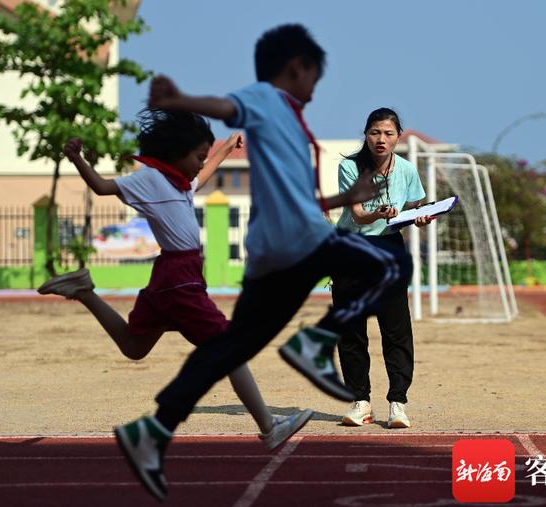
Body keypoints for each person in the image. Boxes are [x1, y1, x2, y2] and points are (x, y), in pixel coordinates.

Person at [113, 24, 413, 501]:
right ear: (293, 68)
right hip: (286, 245)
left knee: (233, 343)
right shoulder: (268, 101)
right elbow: (230, 108)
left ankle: (155, 429)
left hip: (287, 240)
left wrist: (341, 195)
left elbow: (302, 197)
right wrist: (178, 101)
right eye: (314, 74)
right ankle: (311, 347)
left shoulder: (290, 119)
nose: (317, 86)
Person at [36, 110, 314, 451]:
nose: (201, 163)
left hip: (171, 277)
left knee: (134, 346)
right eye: (198, 156)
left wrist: (225, 150)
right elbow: (101, 186)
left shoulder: (180, 180)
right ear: (176, 153)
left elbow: (204, 175)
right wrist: (76, 158)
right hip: (177, 279)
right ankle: (270, 426)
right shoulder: (149, 179)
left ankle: (85, 291)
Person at [334, 107, 433, 429]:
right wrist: (379, 213)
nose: (381, 139)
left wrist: (423, 217)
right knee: (351, 329)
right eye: (375, 132)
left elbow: (416, 207)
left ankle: (398, 403)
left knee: (396, 329)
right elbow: (359, 214)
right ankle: (360, 401)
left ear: (398, 137)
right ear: (366, 134)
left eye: (388, 133)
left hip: (389, 250)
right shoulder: (350, 167)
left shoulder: (406, 170)